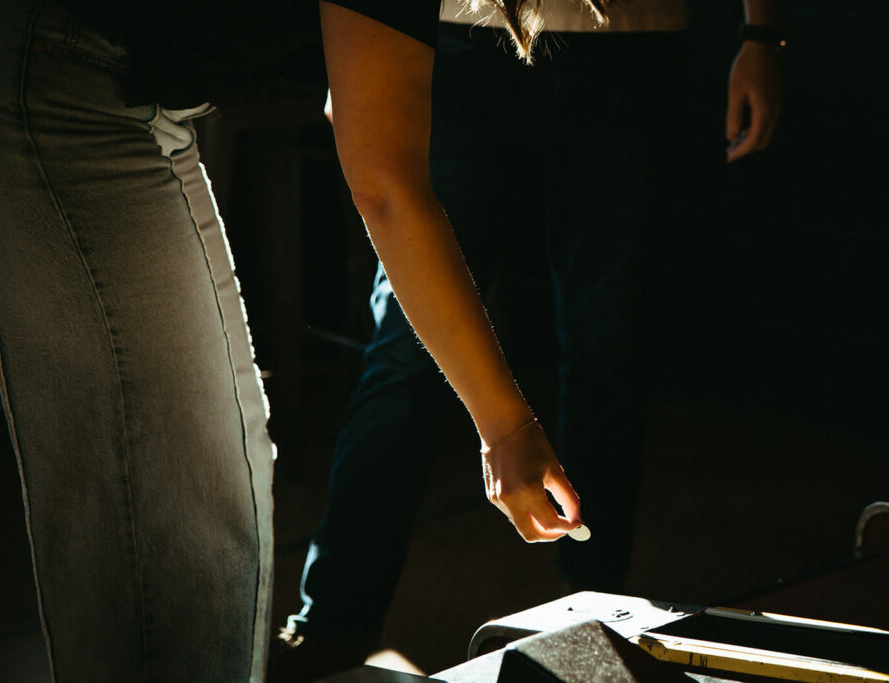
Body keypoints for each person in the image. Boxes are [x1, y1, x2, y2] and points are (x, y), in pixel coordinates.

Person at [0, 0, 582, 680]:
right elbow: (386, 183)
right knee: (178, 548)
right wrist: (506, 425)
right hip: (56, 71)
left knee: (207, 506)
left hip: (118, 90)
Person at [282, 0, 783, 677]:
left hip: (633, 42)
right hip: (462, 36)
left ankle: (597, 615)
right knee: (407, 347)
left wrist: (760, 30)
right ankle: (332, 625)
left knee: (610, 341)